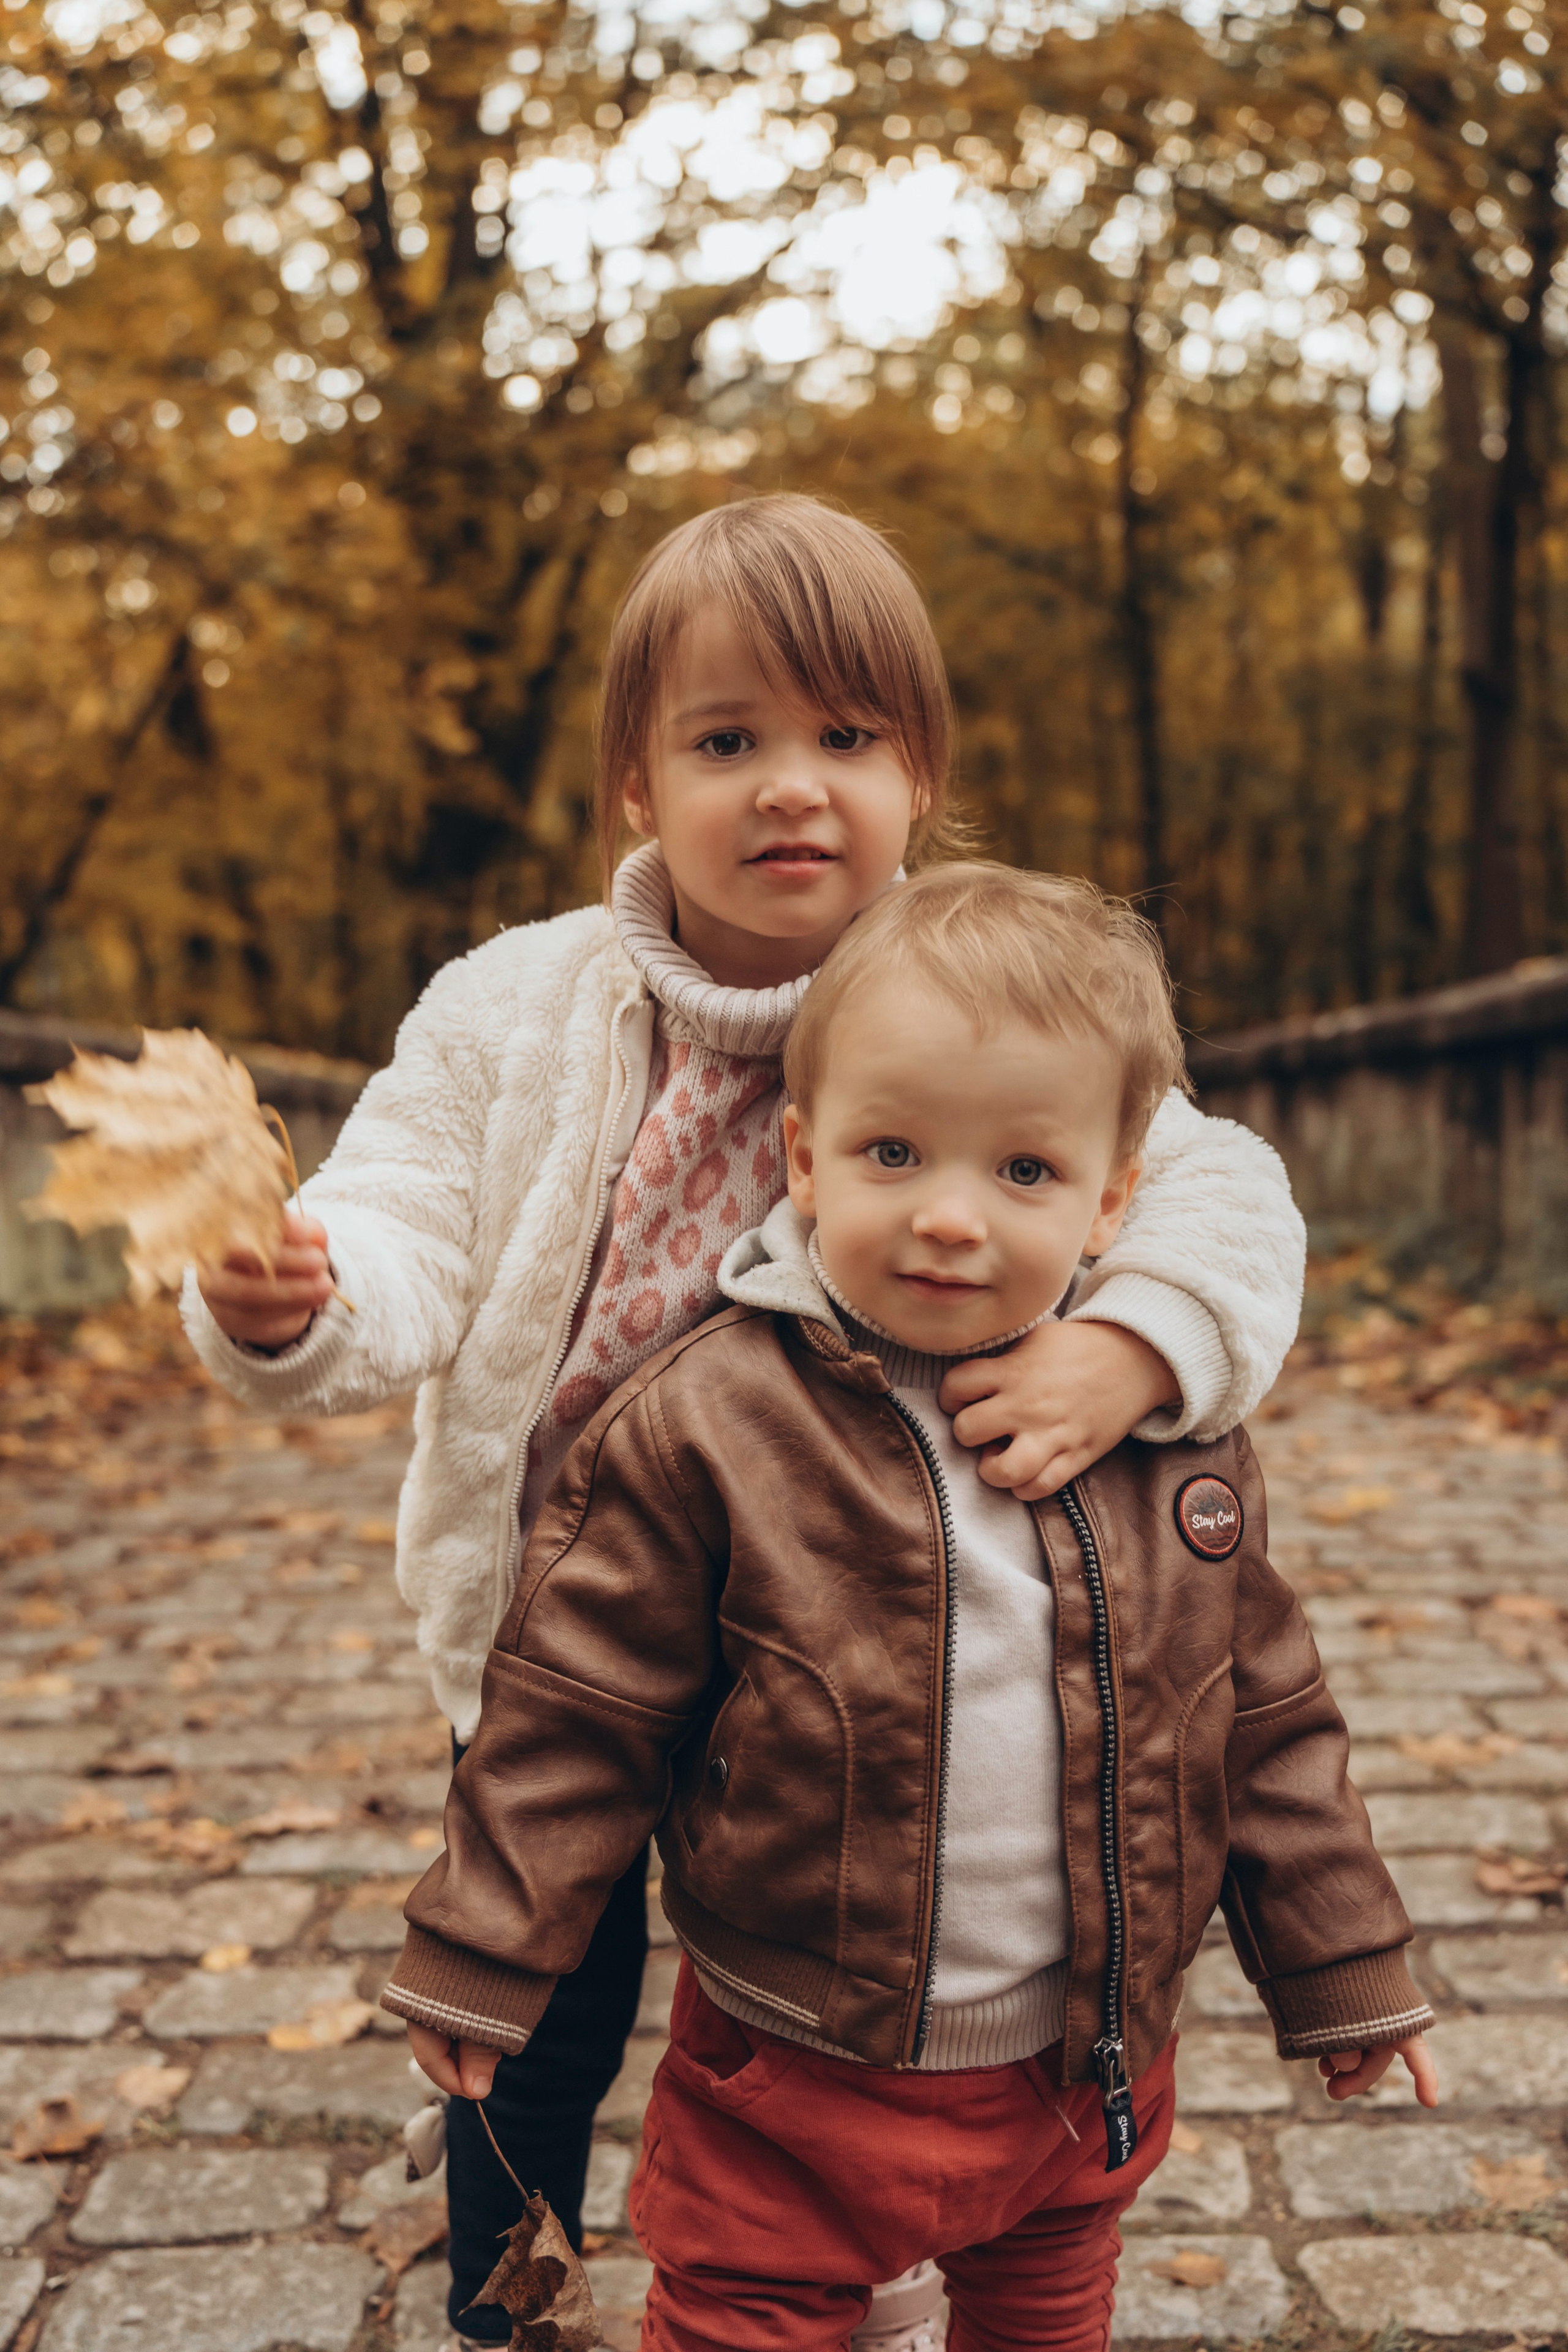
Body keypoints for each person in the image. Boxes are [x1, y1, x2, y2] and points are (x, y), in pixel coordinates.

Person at [184, 498, 1307, 2351]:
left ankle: (819, 2256)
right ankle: (501, 2284)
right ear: (640, 778)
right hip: (572, 1637)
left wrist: (1141, 1345)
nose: (793, 788)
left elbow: (1206, 1188)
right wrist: (312, 1289)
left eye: (846, 739)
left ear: (918, 772)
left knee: (823, 1993)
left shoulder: (980, 991)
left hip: (866, 1650)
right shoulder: (516, 1009)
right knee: (546, 1980)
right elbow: (401, 1209)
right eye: (729, 741)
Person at [382, 861, 1438, 2352]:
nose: (950, 1219)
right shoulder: (711, 1424)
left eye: (1020, 1173)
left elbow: (1258, 1721)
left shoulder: (1162, 1441)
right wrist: (483, 1955)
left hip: (1075, 2083)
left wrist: (1342, 1971)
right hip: (789, 2074)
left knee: (1045, 2319)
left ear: (1107, 1200)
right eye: (893, 1154)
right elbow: (578, 1714)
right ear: (802, 1164)